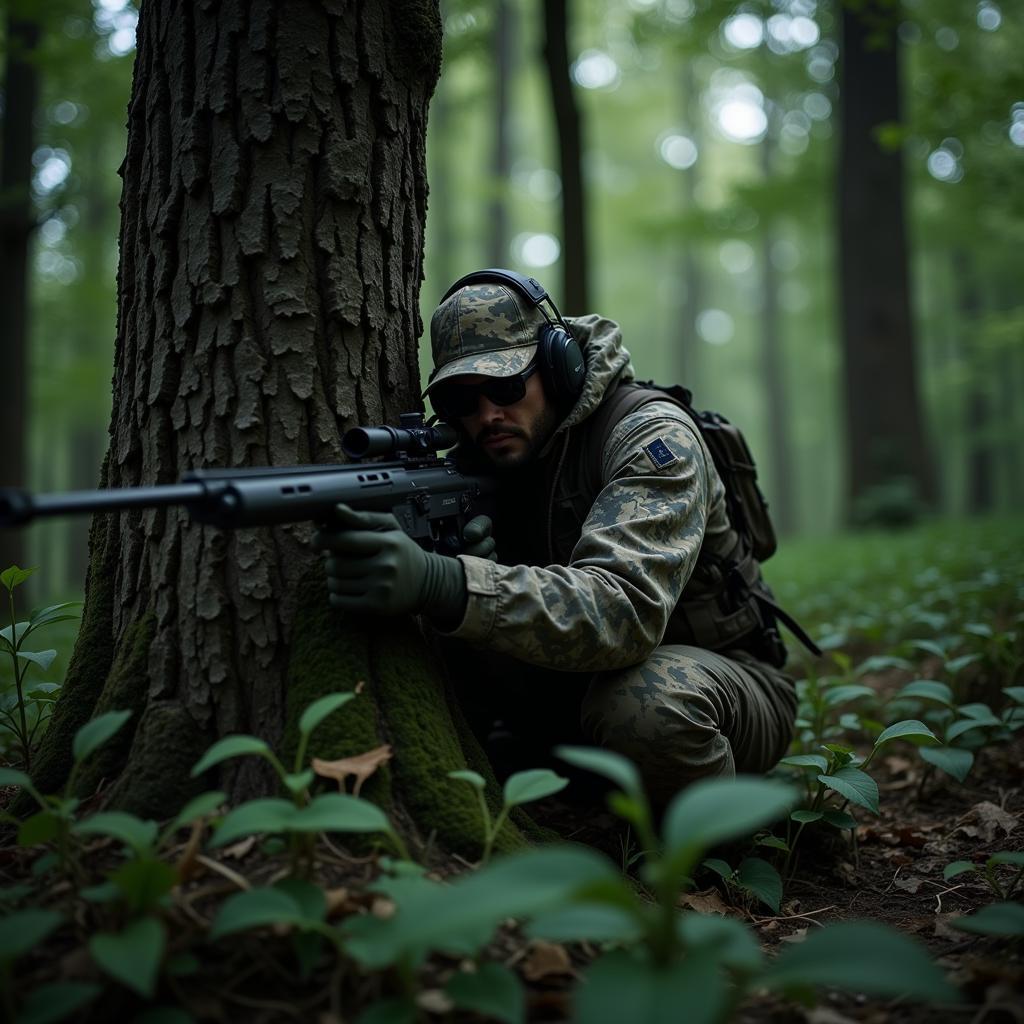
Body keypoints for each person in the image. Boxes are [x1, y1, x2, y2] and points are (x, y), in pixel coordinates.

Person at [314, 269, 797, 805]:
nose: (487, 414)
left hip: (722, 688)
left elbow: (624, 614)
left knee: (645, 705)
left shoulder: (651, 437)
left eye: (504, 385)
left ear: (558, 365)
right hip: (565, 696)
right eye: (459, 402)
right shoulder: (474, 469)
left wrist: (450, 583)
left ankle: (709, 860)